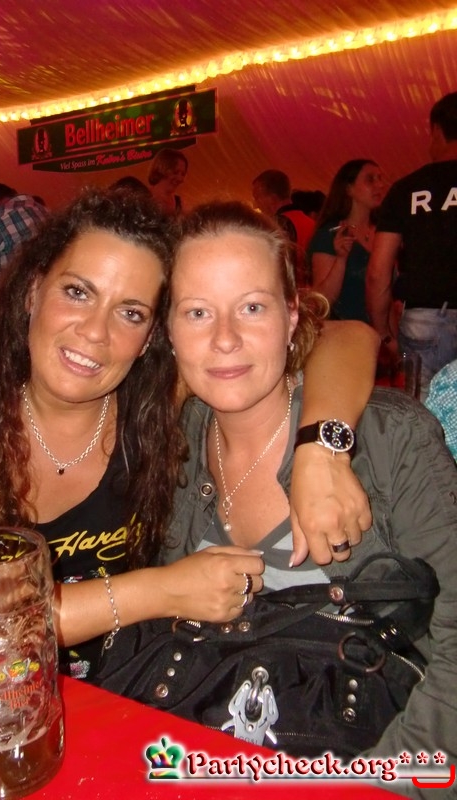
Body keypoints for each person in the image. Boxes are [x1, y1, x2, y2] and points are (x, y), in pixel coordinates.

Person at [0, 187, 376, 681]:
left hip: (133, 683)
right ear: (33, 290)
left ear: (151, 336)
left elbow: (345, 336)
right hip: (5, 695)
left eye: (131, 312)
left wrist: (320, 450)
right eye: (78, 292)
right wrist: (164, 590)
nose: (96, 331)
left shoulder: (154, 395)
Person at [162, 199, 457, 784]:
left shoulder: (390, 439)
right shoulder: (169, 448)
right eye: (196, 312)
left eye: (252, 307)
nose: (225, 339)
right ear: (167, 330)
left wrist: (374, 788)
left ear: (293, 315)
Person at [366, 91, 457, 401]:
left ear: (437, 131)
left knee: (425, 416)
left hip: (425, 319)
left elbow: (378, 272)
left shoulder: (407, 189)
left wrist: (383, 334)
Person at [308, 159, 384, 323]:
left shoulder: (384, 233)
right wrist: (341, 259)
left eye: (380, 178)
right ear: (349, 189)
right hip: (346, 330)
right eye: (370, 179)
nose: (379, 185)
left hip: (382, 329)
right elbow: (323, 300)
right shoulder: (330, 235)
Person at [252, 169, 314, 288]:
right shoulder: (310, 222)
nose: (256, 205)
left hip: (290, 291)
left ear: (272, 198)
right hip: (309, 293)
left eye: (257, 197)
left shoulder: (277, 225)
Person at [147, 148, 188, 215]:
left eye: (183, 174)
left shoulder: (179, 204)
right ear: (162, 169)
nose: (180, 179)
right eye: (175, 172)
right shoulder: (144, 197)